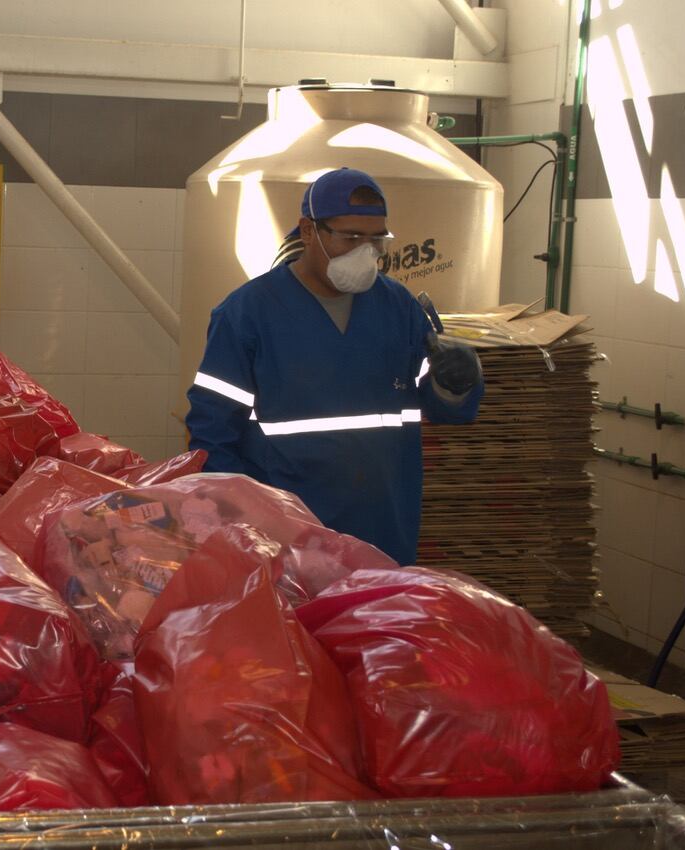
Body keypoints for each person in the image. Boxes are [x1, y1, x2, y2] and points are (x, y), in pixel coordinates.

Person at [185, 167, 484, 565]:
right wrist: (238, 522)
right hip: (289, 530)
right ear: (308, 232)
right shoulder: (249, 313)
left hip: (383, 525)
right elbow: (213, 429)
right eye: (351, 238)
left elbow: (443, 406)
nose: (367, 251)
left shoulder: (398, 307)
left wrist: (456, 383)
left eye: (377, 238)